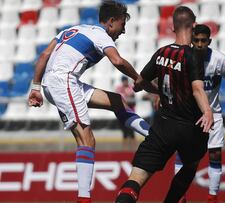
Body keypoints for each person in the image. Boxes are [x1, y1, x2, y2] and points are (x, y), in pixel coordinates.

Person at [27, 1, 155, 202]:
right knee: (87, 139)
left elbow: (44, 55)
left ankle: (153, 135)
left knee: (116, 100)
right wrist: (138, 78)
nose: (123, 31)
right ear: (111, 21)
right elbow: (118, 61)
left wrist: (36, 87)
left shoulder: (71, 30)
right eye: (123, 25)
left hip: (58, 82)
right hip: (63, 81)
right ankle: (84, 199)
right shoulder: (101, 35)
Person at [115, 6, 214, 203]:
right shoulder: (194, 55)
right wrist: (207, 110)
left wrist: (157, 91)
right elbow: (197, 89)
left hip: (162, 127)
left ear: (172, 27)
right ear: (193, 26)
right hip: (190, 128)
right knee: (190, 165)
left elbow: (139, 83)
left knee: (136, 179)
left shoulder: (162, 52)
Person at [173, 24, 225, 203]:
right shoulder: (183, 58)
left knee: (215, 154)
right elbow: (167, 74)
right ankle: (180, 197)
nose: (199, 44)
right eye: (196, 40)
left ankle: (212, 197)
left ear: (209, 41)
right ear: (191, 40)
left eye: (203, 41)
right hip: (188, 115)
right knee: (182, 155)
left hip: (213, 113)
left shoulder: (219, 59)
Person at [116, 76, 136, 149]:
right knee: (124, 132)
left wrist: (125, 97)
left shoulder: (130, 88)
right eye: (124, 81)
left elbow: (130, 97)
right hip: (122, 112)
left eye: (126, 81)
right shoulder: (119, 88)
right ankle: (124, 149)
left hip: (130, 113)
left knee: (131, 132)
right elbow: (119, 98)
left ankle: (133, 147)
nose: (125, 82)